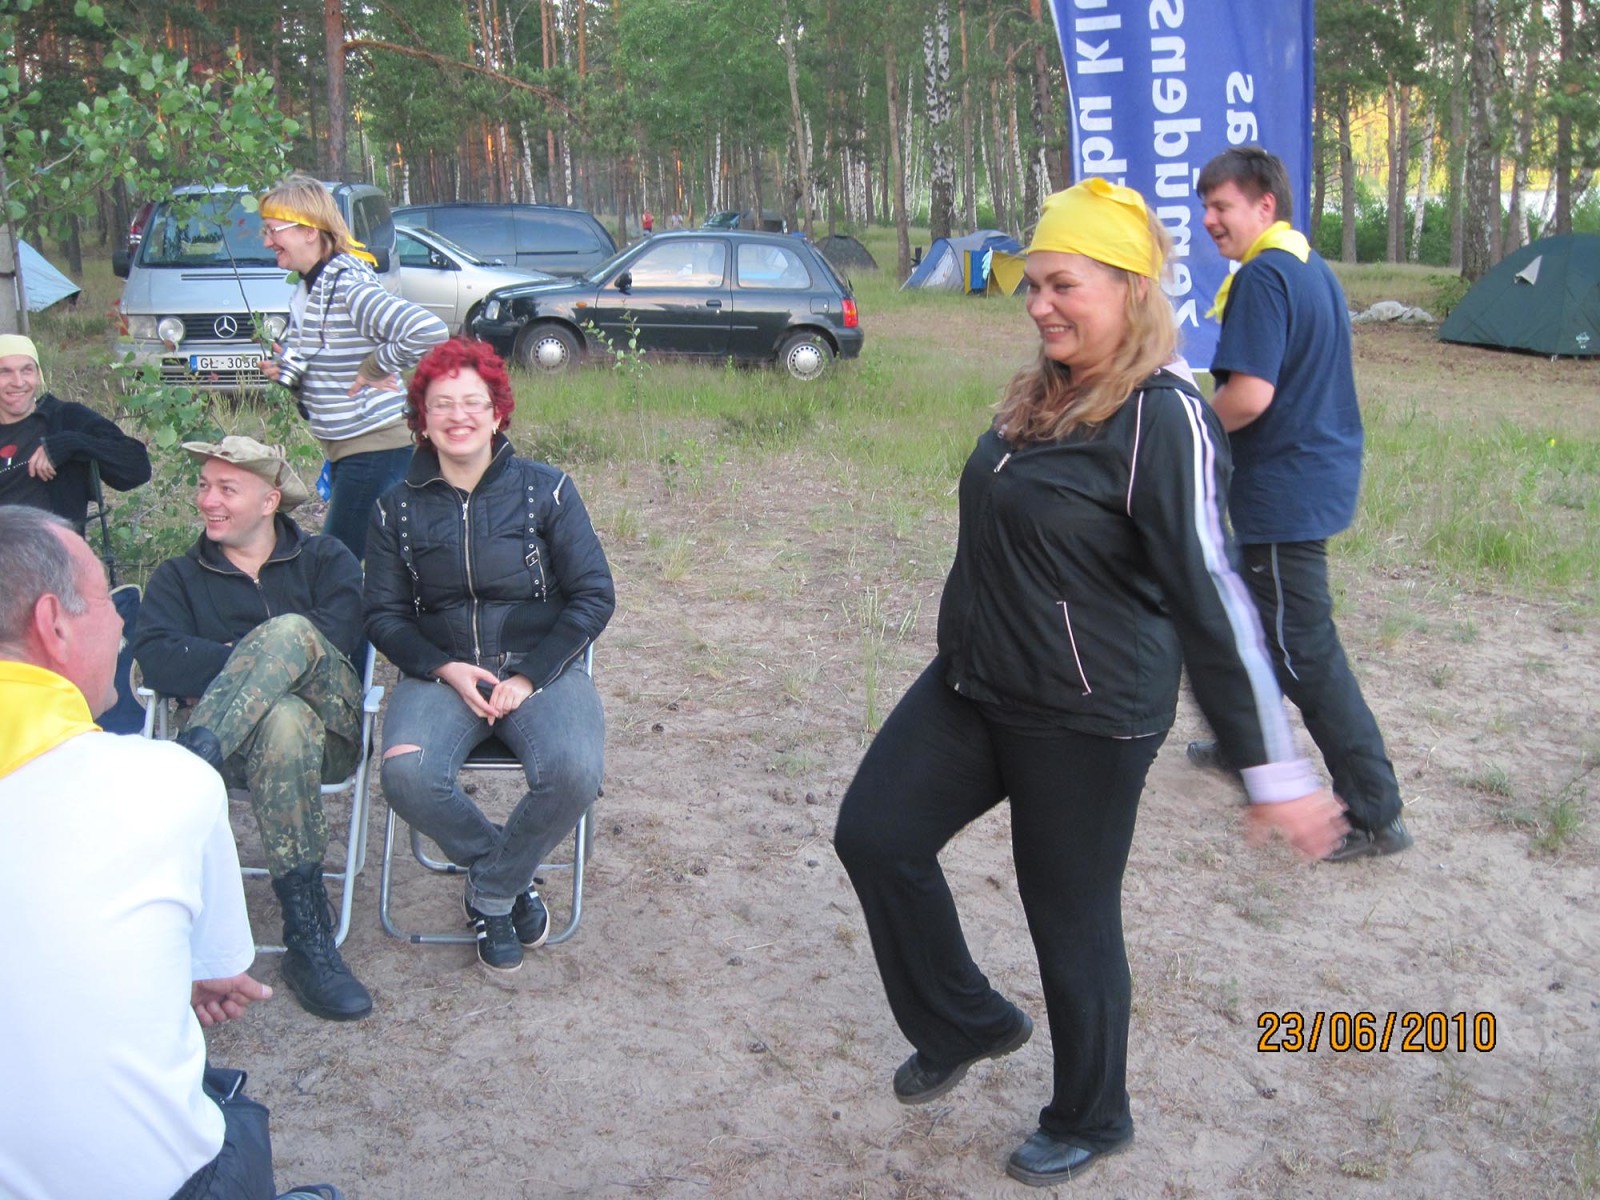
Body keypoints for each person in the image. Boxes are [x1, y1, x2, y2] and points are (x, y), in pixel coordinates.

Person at [831, 179, 1348, 1188]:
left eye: (1063, 285)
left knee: (1067, 917)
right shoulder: (1043, 393)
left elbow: (1213, 597)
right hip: (975, 680)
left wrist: (1272, 767)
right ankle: (966, 1021)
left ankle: (1093, 1114)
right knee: (876, 834)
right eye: (1033, 286)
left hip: (1085, 712)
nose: (1040, 305)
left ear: (1131, 288)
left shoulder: (1165, 418)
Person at [0, 504, 276, 1199]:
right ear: (53, 625)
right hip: (154, 1186)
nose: (122, 625)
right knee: (231, 1111)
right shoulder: (168, 782)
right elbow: (218, 971)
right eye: (106, 601)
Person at [1189, 145, 1411, 862]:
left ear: (1265, 205)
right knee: (1244, 623)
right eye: (1205, 207)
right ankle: (1242, 743)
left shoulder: (1264, 276)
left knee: (1301, 648)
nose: (1209, 220)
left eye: (1221, 206)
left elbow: (1250, 396)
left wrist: (1183, 429)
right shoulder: (1308, 266)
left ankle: (1375, 811)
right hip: (1311, 475)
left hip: (1284, 491)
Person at [365, 338, 614, 974]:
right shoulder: (394, 510)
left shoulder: (547, 491)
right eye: (441, 404)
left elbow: (593, 596)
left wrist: (528, 676)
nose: (459, 416)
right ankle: (509, 877)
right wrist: (445, 668)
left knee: (575, 771)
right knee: (407, 775)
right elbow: (383, 616)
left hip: (539, 667)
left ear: (497, 412)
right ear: (422, 419)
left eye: (472, 401)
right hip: (440, 671)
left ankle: (491, 891)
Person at [131, 436, 374, 1022]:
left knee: (292, 632)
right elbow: (157, 658)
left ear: (270, 501)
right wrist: (262, 672)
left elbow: (340, 636)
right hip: (247, 753)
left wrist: (231, 657)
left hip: (333, 738)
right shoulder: (178, 577)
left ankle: (190, 763)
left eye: (226, 489)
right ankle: (308, 933)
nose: (207, 500)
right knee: (284, 718)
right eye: (203, 486)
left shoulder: (328, 560)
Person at [257, 173, 448, 558]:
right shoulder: (309, 287)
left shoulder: (347, 285)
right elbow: (332, 359)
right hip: (348, 447)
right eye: (265, 231)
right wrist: (292, 375)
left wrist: (374, 367)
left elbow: (429, 330)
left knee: (336, 558)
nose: (266, 241)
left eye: (274, 230)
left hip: (376, 444)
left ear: (309, 231)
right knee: (371, 557)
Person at [0, 333, 151, 532]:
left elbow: (138, 468)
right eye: (5, 372)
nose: (18, 382)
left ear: (38, 376)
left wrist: (72, 444)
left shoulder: (65, 418)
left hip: (55, 547)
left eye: (27, 370)